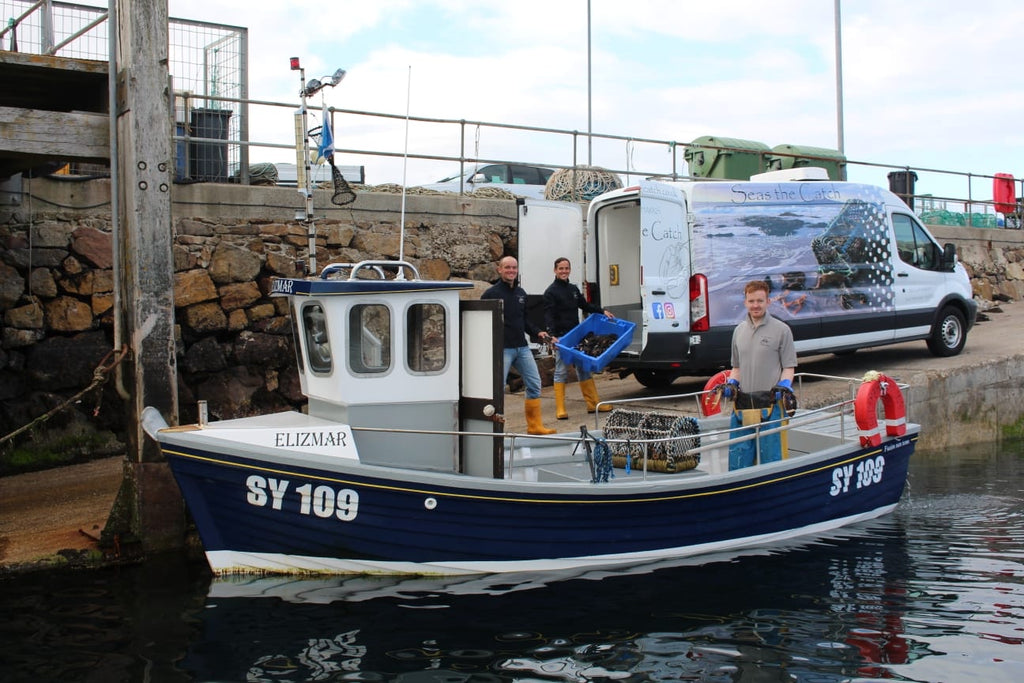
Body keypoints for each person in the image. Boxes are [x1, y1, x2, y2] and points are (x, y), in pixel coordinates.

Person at [724, 279, 797, 469]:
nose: (755, 305)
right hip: (743, 406)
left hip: (772, 405)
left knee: (772, 460)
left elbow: (789, 367)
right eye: (751, 301)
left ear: (768, 302)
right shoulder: (738, 331)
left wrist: (785, 385)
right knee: (739, 460)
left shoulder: (782, 330)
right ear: (745, 302)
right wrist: (732, 382)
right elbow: (737, 367)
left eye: (760, 301)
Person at [482, 256, 557, 435]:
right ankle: (493, 428)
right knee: (497, 390)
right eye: (507, 267)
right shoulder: (490, 294)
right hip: (502, 349)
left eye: (514, 268)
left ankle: (534, 426)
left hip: (522, 348)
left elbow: (524, 321)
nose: (511, 271)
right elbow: (482, 322)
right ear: (499, 269)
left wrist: (538, 332)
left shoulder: (521, 293)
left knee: (534, 384)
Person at [542, 257, 614, 420]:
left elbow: (586, 305)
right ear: (555, 270)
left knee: (584, 368)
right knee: (561, 371)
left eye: (566, 268)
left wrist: (602, 311)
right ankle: (560, 409)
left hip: (577, 334)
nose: (564, 271)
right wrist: (552, 335)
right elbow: (548, 315)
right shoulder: (550, 292)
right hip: (561, 338)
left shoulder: (573, 289)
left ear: (569, 270)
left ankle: (593, 404)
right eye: (560, 268)